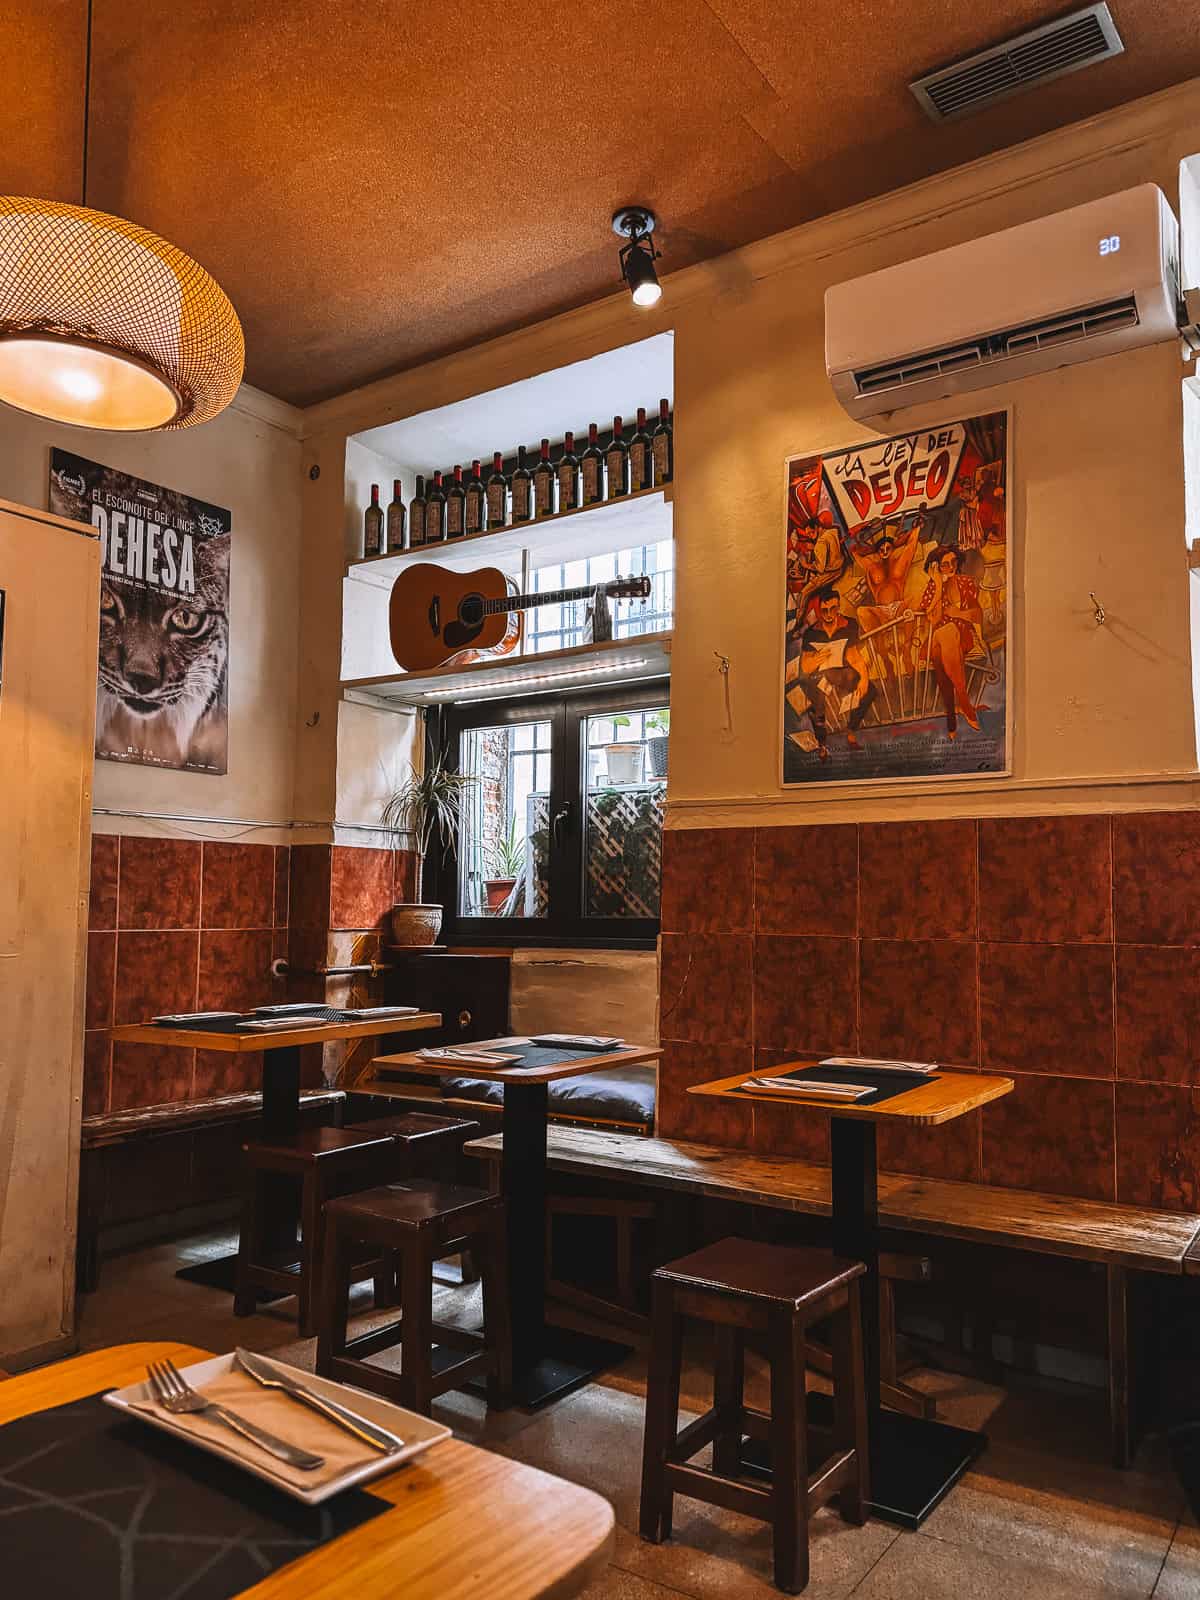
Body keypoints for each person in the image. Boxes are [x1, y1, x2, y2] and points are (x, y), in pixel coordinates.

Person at [796, 585, 874, 759]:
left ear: (838, 607)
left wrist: (864, 680)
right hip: (820, 675)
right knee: (812, 694)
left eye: (833, 609)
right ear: (819, 611)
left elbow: (854, 656)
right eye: (824, 611)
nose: (829, 614)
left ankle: (851, 730)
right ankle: (822, 743)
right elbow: (805, 668)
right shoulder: (811, 633)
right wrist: (816, 659)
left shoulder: (849, 624)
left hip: (842, 672)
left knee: (869, 690)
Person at [916, 546, 985, 737]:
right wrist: (938, 585)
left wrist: (959, 613)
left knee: (941, 650)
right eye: (945, 564)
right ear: (936, 568)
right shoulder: (932, 588)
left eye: (954, 562)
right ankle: (963, 702)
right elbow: (933, 619)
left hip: (962, 636)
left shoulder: (966, 582)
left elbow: (978, 615)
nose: (951, 567)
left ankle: (953, 715)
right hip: (939, 636)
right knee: (944, 632)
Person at [851, 518, 922, 676]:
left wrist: (896, 542)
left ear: (892, 548)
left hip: (899, 608)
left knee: (914, 601)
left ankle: (907, 653)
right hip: (880, 612)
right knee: (862, 612)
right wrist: (874, 547)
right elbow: (854, 551)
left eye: (887, 548)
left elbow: (912, 541)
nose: (884, 552)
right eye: (881, 549)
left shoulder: (899, 564)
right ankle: (885, 661)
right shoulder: (872, 566)